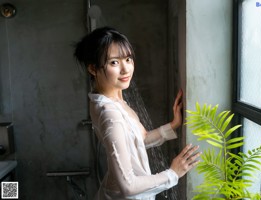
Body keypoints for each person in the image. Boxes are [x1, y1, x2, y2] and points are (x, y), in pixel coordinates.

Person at [74, 27, 200, 200]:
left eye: (128, 59)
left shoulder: (110, 100)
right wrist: (173, 173)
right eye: (114, 62)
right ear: (93, 69)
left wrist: (173, 125)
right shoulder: (110, 113)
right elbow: (128, 186)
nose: (126, 69)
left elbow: (139, 140)